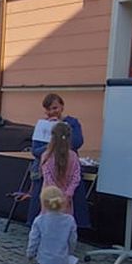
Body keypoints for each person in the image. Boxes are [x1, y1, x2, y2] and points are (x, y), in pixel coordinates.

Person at [28, 93, 88, 227]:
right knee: (45, 198)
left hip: (67, 167)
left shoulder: (72, 123)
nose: (52, 112)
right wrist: (52, 144)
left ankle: (69, 227)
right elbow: (35, 151)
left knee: (69, 199)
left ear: (62, 106)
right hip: (48, 170)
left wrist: (61, 130)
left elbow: (77, 142)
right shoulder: (43, 126)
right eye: (48, 109)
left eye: (55, 108)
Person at [41, 122, 81, 216]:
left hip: (49, 196)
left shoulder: (47, 156)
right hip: (67, 198)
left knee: (47, 222)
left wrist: (56, 193)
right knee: (65, 223)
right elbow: (76, 178)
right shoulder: (73, 156)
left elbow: (48, 178)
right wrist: (68, 193)